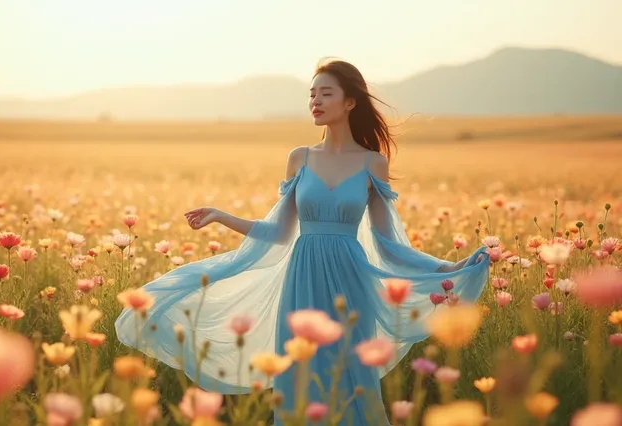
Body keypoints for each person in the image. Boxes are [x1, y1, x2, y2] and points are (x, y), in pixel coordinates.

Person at [115, 58, 490, 425]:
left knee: (350, 376)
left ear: (350, 102)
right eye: (311, 94)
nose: (315, 101)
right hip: (302, 281)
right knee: (300, 377)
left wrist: (447, 268)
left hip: (350, 284)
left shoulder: (372, 163)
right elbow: (277, 233)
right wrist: (221, 215)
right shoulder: (300, 159)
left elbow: (388, 245)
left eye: (326, 93)